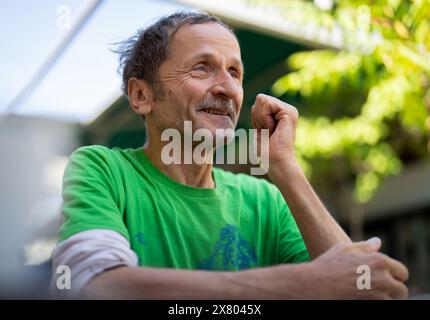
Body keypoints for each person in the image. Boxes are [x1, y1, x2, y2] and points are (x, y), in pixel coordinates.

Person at [50, 11, 408, 299]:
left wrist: (284, 167)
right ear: (142, 95)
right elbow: (95, 286)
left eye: (235, 72)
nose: (227, 89)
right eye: (202, 67)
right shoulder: (102, 169)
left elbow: (362, 290)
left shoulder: (266, 198)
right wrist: (301, 283)